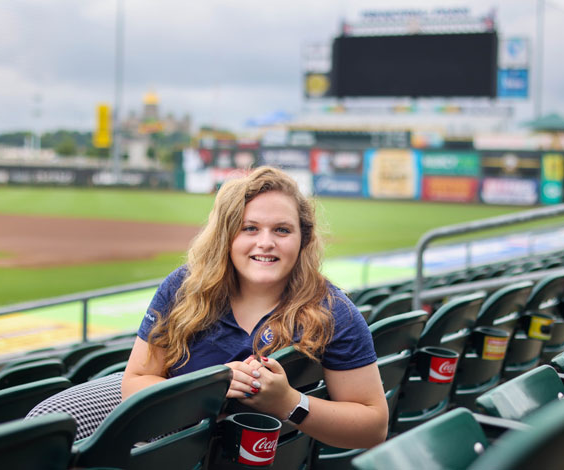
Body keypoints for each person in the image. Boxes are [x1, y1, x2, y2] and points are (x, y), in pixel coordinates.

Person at [122, 166, 388, 449]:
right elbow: (133, 384)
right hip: (171, 433)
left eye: (282, 230)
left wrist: (289, 403)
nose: (266, 243)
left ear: (304, 239)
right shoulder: (183, 286)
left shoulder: (334, 311)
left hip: (213, 453)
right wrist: (208, 389)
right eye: (250, 228)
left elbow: (374, 427)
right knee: (70, 419)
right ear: (227, 236)